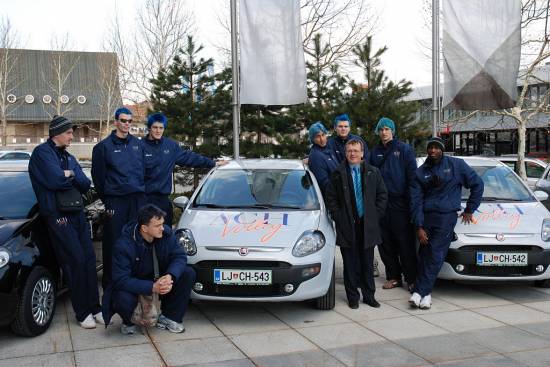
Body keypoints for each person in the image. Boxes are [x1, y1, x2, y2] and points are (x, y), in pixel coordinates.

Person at [29, 115, 103, 329]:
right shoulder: (42, 154)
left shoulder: (68, 156)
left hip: (77, 213)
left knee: (89, 261)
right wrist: (68, 175)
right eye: (69, 132)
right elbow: (54, 180)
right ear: (57, 133)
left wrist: (68, 173)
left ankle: (95, 307)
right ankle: (82, 312)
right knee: (75, 262)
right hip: (58, 215)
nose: (73, 136)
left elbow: (84, 183)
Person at [409, 137, 483, 309]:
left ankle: (420, 292)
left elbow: (478, 184)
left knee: (435, 255)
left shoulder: (457, 165)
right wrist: (419, 226)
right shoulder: (421, 172)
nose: (433, 151)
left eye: (436, 147)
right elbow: (415, 201)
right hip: (426, 219)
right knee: (425, 256)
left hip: (446, 217)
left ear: (442, 149)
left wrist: (470, 209)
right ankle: (425, 295)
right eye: (430, 148)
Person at [102, 204, 195, 335]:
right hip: (136, 284)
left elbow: (179, 256)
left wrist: (170, 276)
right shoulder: (123, 245)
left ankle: (169, 317)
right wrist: (152, 287)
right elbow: (120, 280)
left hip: (160, 279)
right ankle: (128, 321)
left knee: (187, 273)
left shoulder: (166, 234)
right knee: (120, 295)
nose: (162, 228)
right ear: (144, 228)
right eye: (157, 226)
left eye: (162, 223)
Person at [326, 139, 388, 309]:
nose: (352, 154)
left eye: (356, 150)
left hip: (368, 226)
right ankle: (352, 297)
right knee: (350, 264)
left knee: (367, 263)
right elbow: (331, 198)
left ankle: (369, 296)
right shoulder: (338, 174)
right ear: (346, 153)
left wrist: (375, 216)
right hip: (347, 225)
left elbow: (382, 196)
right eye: (349, 151)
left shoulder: (373, 172)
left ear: (362, 153)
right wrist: (339, 216)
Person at [92, 107, 146, 289]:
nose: (126, 124)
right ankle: (110, 283)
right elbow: (98, 178)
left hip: (136, 200)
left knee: (136, 239)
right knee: (114, 242)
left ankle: (131, 280)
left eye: (130, 121)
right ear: (116, 121)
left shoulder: (138, 144)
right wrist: (108, 200)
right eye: (123, 120)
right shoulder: (103, 147)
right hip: (116, 201)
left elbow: (143, 171)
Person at [143, 112, 225, 226]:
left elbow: (190, 158)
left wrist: (212, 163)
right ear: (149, 128)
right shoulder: (140, 146)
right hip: (144, 200)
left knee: (164, 235)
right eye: (155, 127)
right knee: (144, 236)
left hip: (163, 200)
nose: (158, 131)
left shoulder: (170, 146)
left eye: (161, 128)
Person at [327, 114, 380, 276]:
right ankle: (352, 282)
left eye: (346, 126)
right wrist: (337, 214)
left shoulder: (358, 142)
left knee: (366, 250)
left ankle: (367, 283)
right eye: (340, 126)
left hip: (360, 198)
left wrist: (375, 213)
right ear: (335, 128)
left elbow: (380, 191)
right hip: (341, 193)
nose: (343, 129)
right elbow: (321, 154)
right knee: (349, 251)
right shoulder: (330, 143)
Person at [370, 117, 417, 292]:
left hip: (400, 203)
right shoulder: (374, 152)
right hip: (381, 204)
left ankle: (412, 279)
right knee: (385, 243)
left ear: (392, 131)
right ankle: (393, 276)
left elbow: (413, 177)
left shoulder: (404, 149)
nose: (384, 132)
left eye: (387, 129)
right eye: (381, 129)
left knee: (404, 243)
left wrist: (411, 202)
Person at [307, 121, 338, 197]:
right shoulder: (316, 156)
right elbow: (324, 184)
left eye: (323, 135)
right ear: (312, 139)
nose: (322, 139)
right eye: (318, 136)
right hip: (331, 199)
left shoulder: (328, 150)